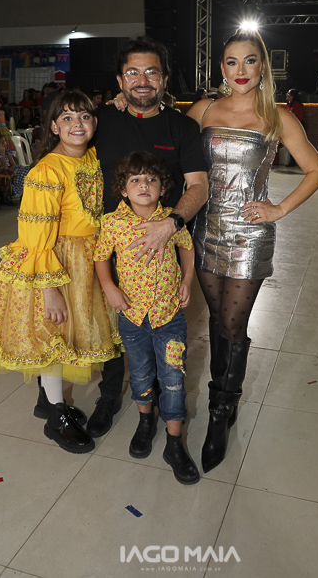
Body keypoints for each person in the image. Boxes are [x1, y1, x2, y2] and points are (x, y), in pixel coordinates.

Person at [187, 29, 318, 473]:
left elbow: (316, 170)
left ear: (262, 65)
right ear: (222, 68)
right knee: (217, 320)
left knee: (232, 324)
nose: (241, 70)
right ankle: (224, 399)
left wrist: (278, 209)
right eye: (232, 62)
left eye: (250, 61)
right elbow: (167, 148)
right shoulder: (203, 109)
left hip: (249, 235)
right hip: (205, 230)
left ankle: (220, 411)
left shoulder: (277, 115)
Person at [0, 91, 122, 454]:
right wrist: (48, 288)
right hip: (55, 262)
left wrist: (113, 105)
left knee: (71, 336)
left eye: (84, 117)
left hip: (87, 260)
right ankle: (57, 417)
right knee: (54, 337)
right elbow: (35, 235)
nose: (77, 124)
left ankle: (47, 401)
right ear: (53, 127)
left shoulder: (92, 158)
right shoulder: (47, 171)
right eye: (67, 118)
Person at [87, 36, 208, 438]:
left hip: (162, 249)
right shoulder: (102, 120)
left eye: (151, 72)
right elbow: (65, 141)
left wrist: (171, 223)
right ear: (120, 80)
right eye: (133, 73)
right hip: (109, 242)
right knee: (114, 328)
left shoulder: (182, 126)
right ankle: (110, 398)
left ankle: (161, 406)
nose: (142, 80)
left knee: (160, 340)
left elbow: (199, 186)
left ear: (165, 79)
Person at [94, 150, 200, 484]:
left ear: (162, 188)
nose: (144, 185)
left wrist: (187, 280)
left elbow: (187, 248)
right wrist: (109, 287)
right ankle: (144, 421)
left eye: (151, 179)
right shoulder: (112, 223)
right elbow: (100, 257)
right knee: (140, 375)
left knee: (173, 378)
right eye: (135, 179)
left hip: (169, 316)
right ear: (123, 189)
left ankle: (174, 441)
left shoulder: (171, 220)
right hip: (133, 317)